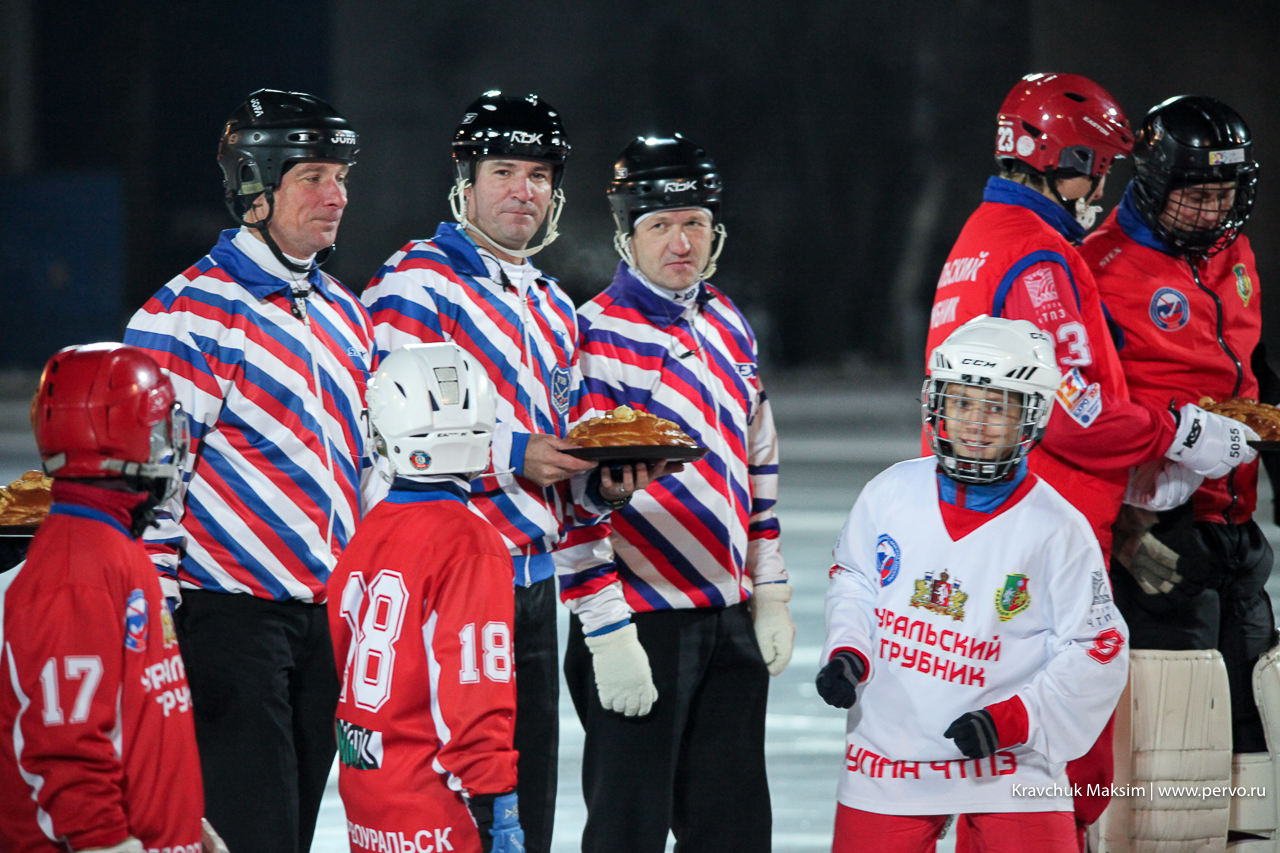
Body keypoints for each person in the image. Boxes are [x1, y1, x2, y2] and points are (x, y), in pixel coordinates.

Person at [923, 72, 1257, 834]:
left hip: (979, 535)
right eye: (1095, 167)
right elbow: (1079, 414)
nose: (1099, 186)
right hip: (1037, 552)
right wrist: (1182, 431)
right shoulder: (1040, 258)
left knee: (995, 769)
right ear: (1057, 160)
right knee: (1059, 776)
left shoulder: (977, 241)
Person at [362, 90, 659, 853]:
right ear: (464, 180)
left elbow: (557, 459)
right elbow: (385, 433)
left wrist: (599, 480)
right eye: (504, 170)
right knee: (439, 818)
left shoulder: (556, 305)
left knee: (523, 822)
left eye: (539, 172)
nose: (523, 189)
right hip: (441, 590)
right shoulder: (415, 282)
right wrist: (515, 449)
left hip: (529, 586)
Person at [123, 89, 376, 853]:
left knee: (290, 829)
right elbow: (152, 487)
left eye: (342, 176)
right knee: (248, 831)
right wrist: (154, 629)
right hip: (226, 619)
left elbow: (362, 468)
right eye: (313, 177)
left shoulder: (342, 309)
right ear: (255, 188)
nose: (337, 196)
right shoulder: (183, 315)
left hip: (325, 619)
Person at [558, 133, 792, 853]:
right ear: (628, 237)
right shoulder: (590, 335)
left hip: (727, 616)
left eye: (693, 221)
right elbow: (569, 501)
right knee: (627, 833)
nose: (680, 241)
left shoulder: (727, 320)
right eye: (659, 224)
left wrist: (771, 586)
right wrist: (605, 629)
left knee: (733, 833)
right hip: (638, 620)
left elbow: (758, 458)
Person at [818, 316, 1129, 853]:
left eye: (997, 407)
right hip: (890, 752)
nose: (976, 423)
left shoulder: (1059, 527)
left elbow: (1097, 648)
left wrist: (1016, 718)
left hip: (1012, 761)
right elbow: (856, 581)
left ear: (1029, 416)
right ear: (938, 405)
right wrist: (847, 649)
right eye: (963, 403)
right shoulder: (889, 493)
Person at [1081, 95, 1280, 849]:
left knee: (1253, 730)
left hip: (1236, 526)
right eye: (1195, 196)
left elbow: (1252, 371)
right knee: (1170, 750)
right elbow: (1084, 417)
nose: (1210, 212)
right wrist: (1123, 532)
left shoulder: (1237, 253)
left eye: (1225, 196)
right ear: (1153, 181)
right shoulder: (1097, 267)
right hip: (1161, 529)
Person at [0, 344, 226, 853]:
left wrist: (186, 820)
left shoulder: (107, 544)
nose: (166, 447)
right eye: (158, 431)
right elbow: (66, 753)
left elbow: (135, 716)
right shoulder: (78, 569)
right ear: (121, 434)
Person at [329, 342, 523, 853]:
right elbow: (476, 686)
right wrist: (495, 801)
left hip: (368, 794)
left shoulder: (367, 532)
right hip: (435, 807)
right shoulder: (471, 542)